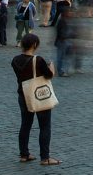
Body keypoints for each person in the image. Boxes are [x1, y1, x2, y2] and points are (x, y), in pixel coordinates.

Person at [12, 32, 60, 165]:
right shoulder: (38, 60)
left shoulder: (15, 60)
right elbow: (49, 75)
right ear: (34, 45)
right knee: (44, 126)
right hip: (39, 96)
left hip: (23, 95)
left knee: (25, 125)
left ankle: (24, 154)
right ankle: (45, 158)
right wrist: (52, 68)